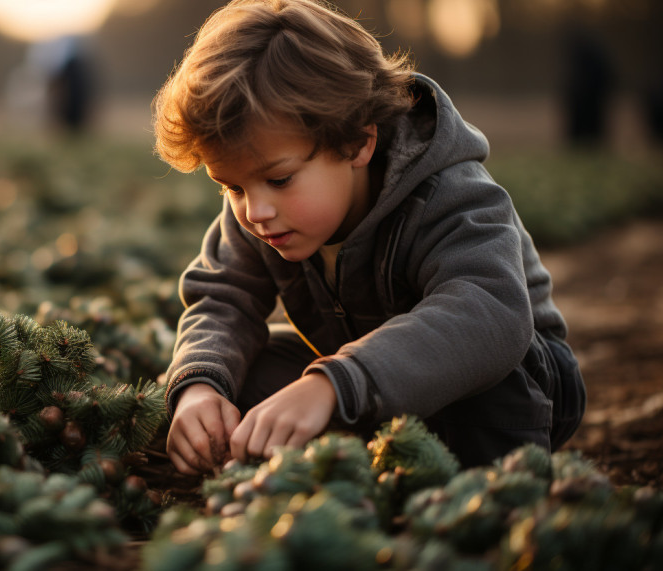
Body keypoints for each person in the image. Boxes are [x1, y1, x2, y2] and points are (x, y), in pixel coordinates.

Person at [152, 0, 586, 473]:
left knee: (486, 359)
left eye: (278, 180)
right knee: (234, 373)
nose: (254, 212)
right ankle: (345, 458)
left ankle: (483, 498)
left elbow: (491, 314)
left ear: (359, 142)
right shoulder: (261, 209)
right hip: (361, 379)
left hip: (518, 382)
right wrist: (200, 387)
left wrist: (336, 384)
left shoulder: (449, 192)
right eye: (232, 187)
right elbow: (223, 300)